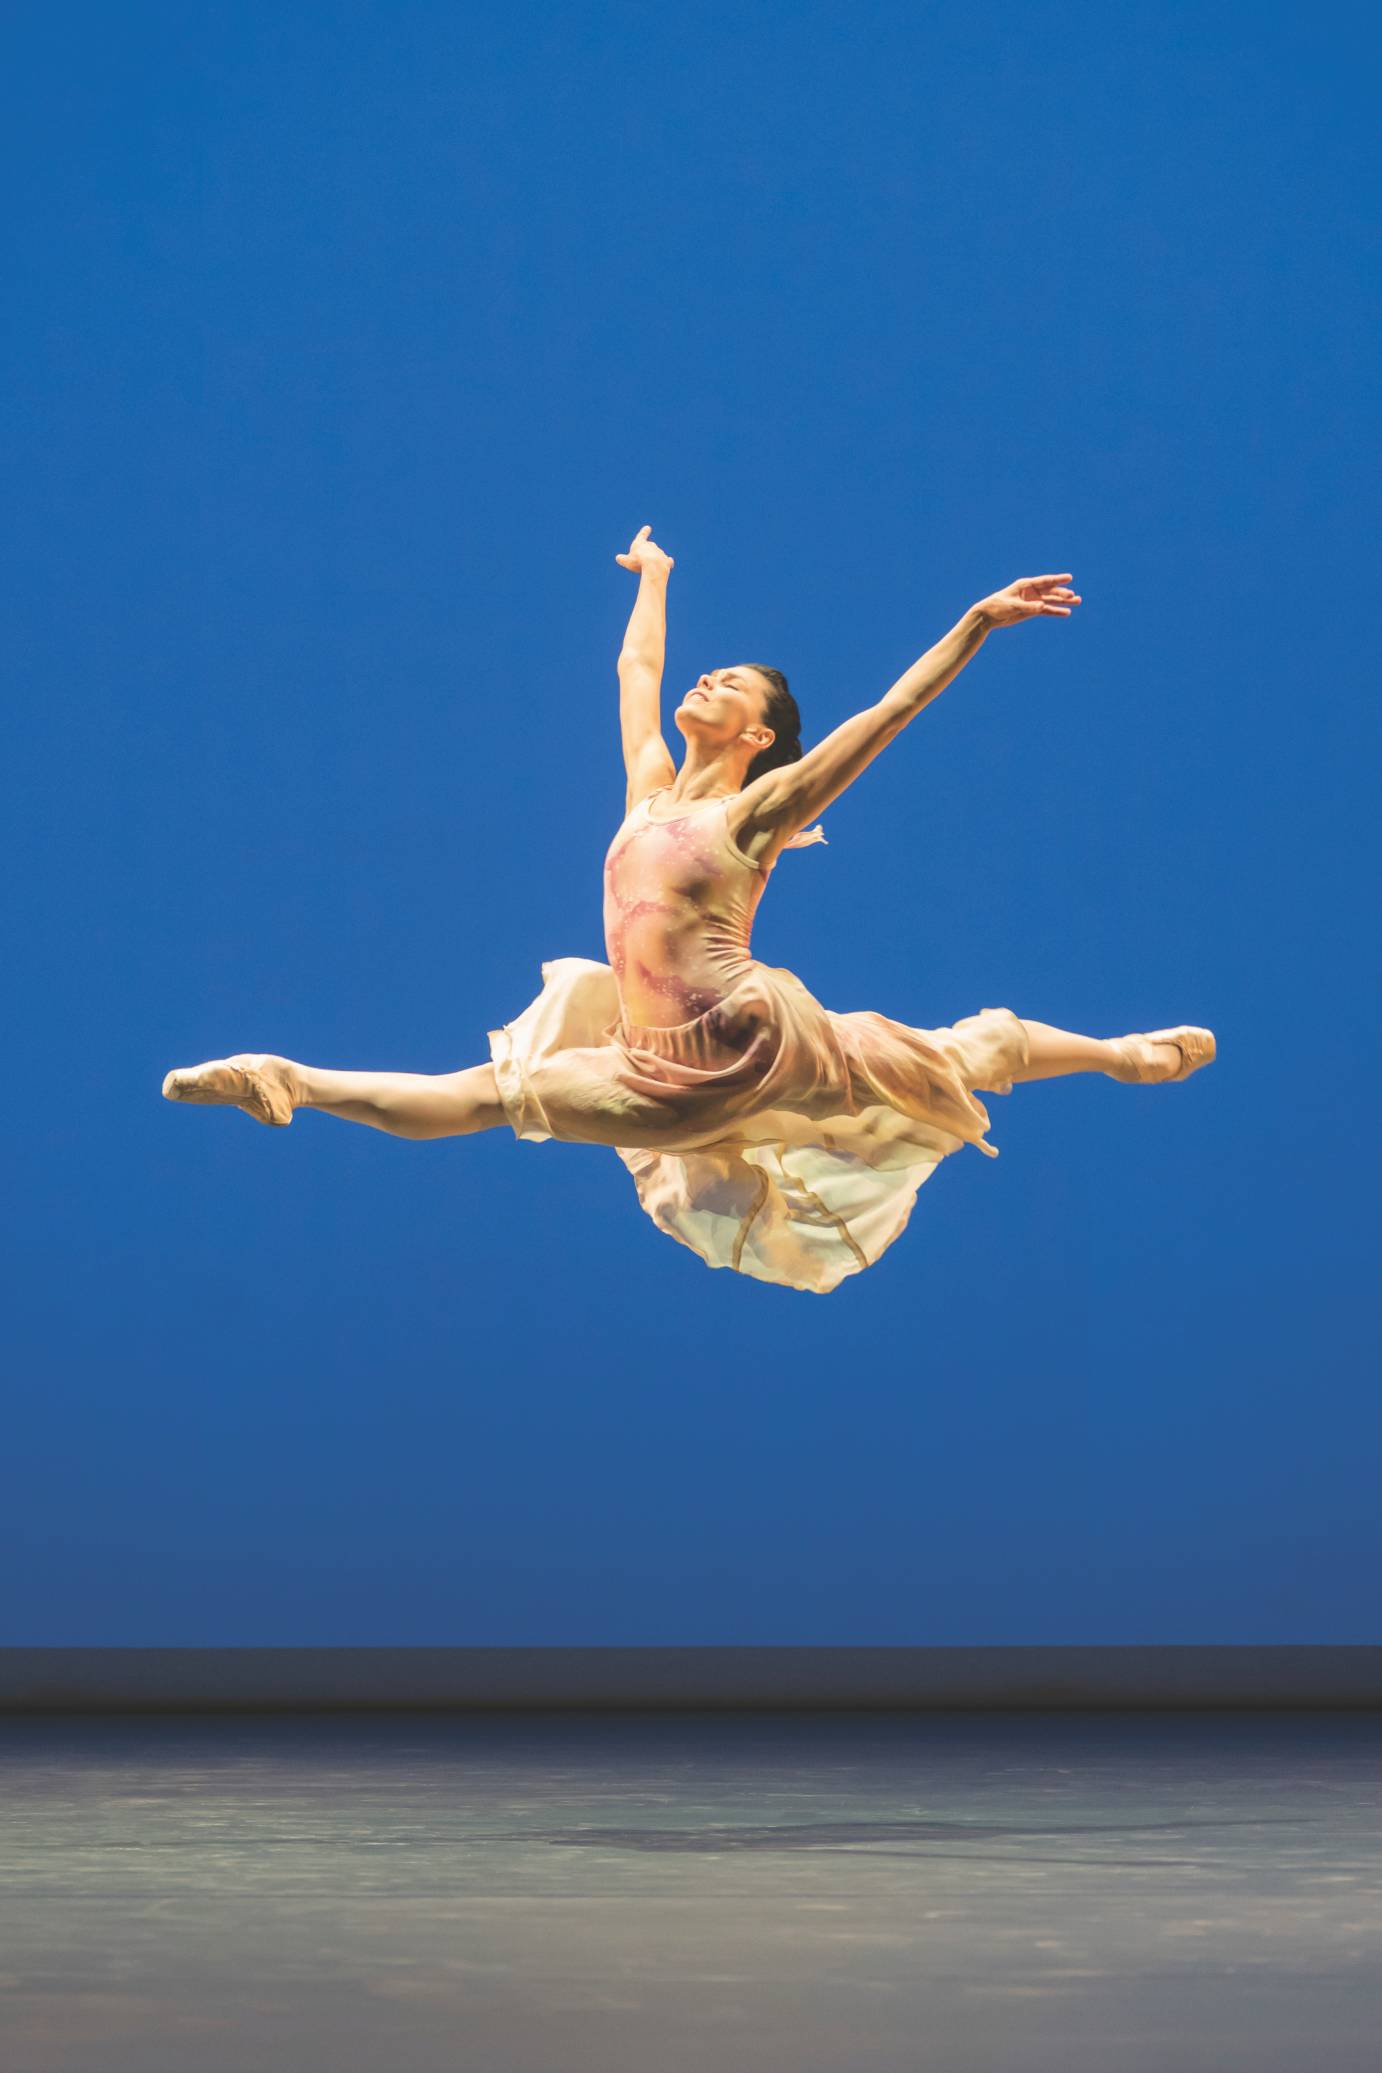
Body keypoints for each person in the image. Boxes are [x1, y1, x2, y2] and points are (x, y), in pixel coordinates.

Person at [163, 525, 1214, 1294]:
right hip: (654, 1074)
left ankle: (1127, 1055)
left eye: (733, 684)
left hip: (755, 1038)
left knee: (958, 1052)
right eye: (714, 671)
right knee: (488, 1096)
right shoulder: (648, 792)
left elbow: (889, 710)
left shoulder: (758, 810)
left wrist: (977, 621)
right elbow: (636, 666)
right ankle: (284, 1078)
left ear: (758, 736)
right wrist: (655, 578)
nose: (709, 677)